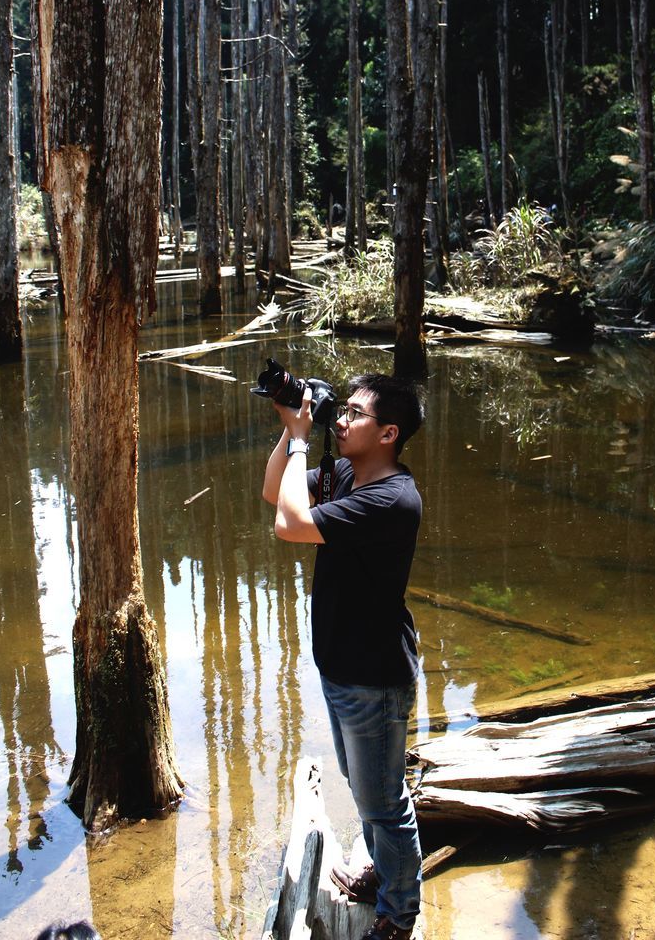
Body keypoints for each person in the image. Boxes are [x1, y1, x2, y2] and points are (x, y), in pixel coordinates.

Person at [262, 371, 424, 940]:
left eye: (356, 413)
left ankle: (400, 914)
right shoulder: (344, 476)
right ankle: (384, 873)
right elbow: (272, 490)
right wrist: (291, 430)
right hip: (342, 665)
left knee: (383, 802)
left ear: (389, 434)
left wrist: (305, 438)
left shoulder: (391, 499)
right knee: (365, 787)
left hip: (374, 675)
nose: (344, 419)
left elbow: (289, 524)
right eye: (344, 410)